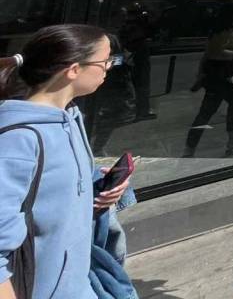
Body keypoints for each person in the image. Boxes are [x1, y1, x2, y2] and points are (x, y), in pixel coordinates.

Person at [0, 24, 133, 299]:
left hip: (80, 285)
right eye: (105, 61)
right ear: (73, 70)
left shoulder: (70, 117)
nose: (109, 68)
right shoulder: (18, 140)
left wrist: (102, 188)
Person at [184, 3, 233, 157]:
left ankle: (231, 141)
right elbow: (213, 52)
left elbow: (208, 54)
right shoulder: (223, 31)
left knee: (231, 102)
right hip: (219, 78)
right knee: (208, 112)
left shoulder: (226, 30)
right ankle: (190, 149)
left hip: (221, 78)